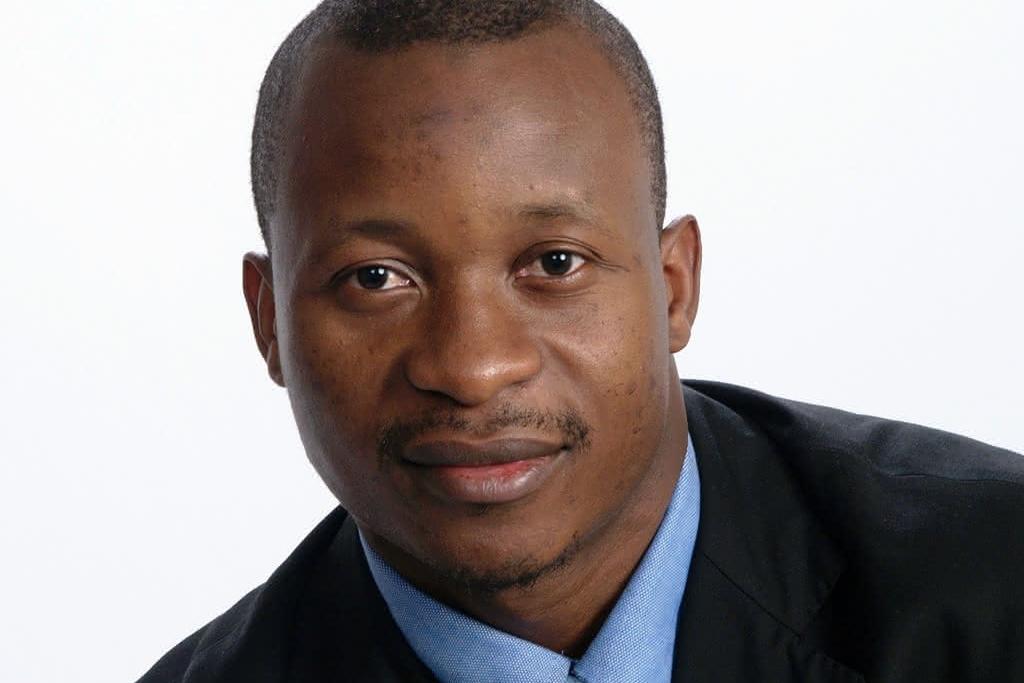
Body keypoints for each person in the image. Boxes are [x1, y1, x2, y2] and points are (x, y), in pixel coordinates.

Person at [139, 1, 1024, 681]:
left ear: (674, 286)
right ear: (269, 322)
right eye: (376, 278)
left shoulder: (997, 587)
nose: (473, 367)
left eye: (554, 263)